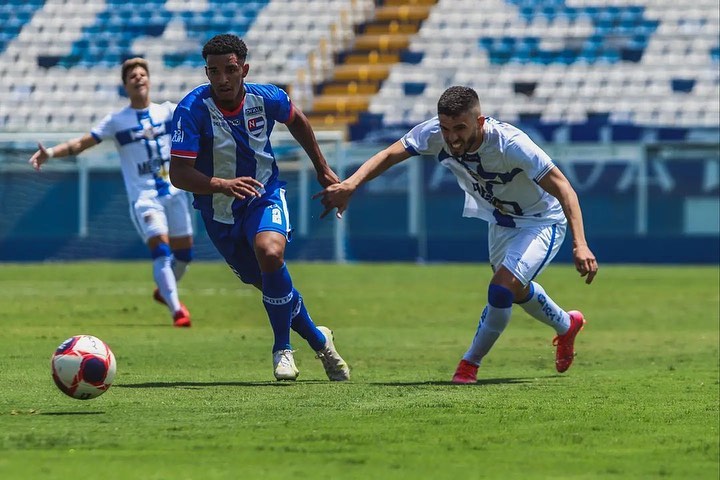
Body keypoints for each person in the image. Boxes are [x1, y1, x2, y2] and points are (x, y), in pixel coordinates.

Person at [315, 85, 598, 384]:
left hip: (542, 221)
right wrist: (352, 184)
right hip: (501, 221)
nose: (451, 137)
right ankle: (567, 325)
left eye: (460, 128)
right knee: (514, 290)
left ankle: (469, 365)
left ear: (479, 121)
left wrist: (580, 245)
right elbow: (389, 155)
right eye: (446, 128)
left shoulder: (511, 144)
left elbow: (565, 188)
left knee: (501, 288)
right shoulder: (435, 134)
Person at [169, 33, 350, 382]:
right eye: (213, 71)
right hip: (219, 213)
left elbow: (296, 118)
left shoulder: (266, 98)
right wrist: (221, 184)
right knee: (268, 284)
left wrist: (321, 166)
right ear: (206, 73)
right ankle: (319, 339)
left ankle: (282, 349)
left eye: (230, 70)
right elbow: (179, 173)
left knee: (270, 253)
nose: (222, 78)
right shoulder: (191, 110)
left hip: (263, 195)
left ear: (244, 69)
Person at [29, 57, 194, 328]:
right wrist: (51, 153)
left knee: (185, 256)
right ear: (125, 86)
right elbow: (81, 143)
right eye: (132, 77)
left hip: (175, 193)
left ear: (149, 80)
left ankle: (165, 291)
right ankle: (178, 311)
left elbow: (199, 118)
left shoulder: (168, 111)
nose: (138, 78)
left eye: (142, 74)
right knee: (162, 251)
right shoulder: (117, 121)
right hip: (145, 198)